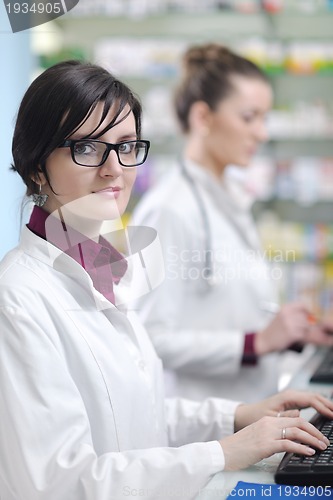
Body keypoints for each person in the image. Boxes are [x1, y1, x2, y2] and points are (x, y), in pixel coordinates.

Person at [1, 59, 333, 500]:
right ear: (36, 166)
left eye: (125, 145)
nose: (113, 168)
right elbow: (57, 484)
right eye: (86, 147)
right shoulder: (17, 299)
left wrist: (239, 416)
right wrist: (222, 452)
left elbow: (139, 413)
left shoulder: (100, 266)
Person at [132, 43, 333, 403]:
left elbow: (228, 313)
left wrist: (296, 334)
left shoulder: (229, 196)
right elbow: (149, 337)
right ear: (203, 118)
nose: (262, 133)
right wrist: (258, 342)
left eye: (264, 118)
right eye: (249, 117)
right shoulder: (168, 209)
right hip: (202, 434)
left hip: (247, 416)